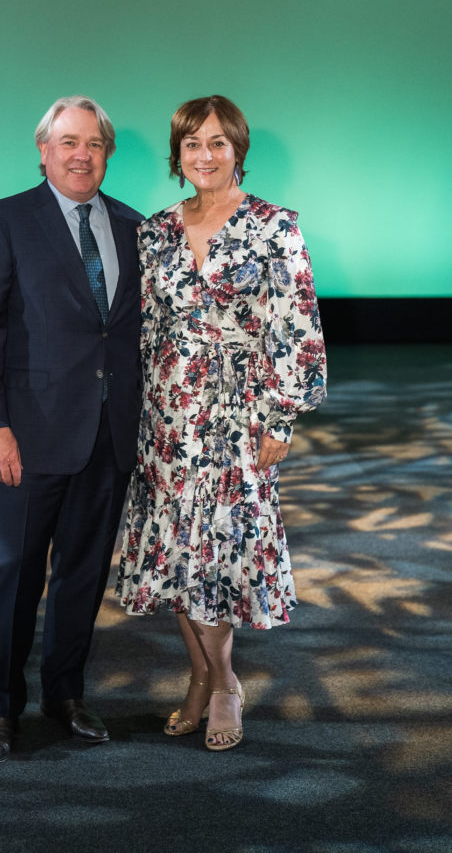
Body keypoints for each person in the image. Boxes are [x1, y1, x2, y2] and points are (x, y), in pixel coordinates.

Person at [116, 95, 326, 750]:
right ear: (177, 155)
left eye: (216, 143)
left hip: (239, 415)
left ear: (238, 150)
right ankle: (200, 679)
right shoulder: (154, 231)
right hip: (167, 415)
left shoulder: (273, 226)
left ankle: (226, 682)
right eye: (191, 144)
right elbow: (144, 330)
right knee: (177, 550)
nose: (204, 156)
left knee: (217, 550)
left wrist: (281, 418)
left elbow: (296, 327)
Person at [0, 95, 143, 765]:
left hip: (108, 436)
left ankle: (64, 695)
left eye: (92, 143)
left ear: (107, 153)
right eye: (67, 142)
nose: (80, 154)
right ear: (43, 150)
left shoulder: (131, 226)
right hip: (26, 438)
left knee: (83, 574)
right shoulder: (2, 220)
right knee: (12, 573)